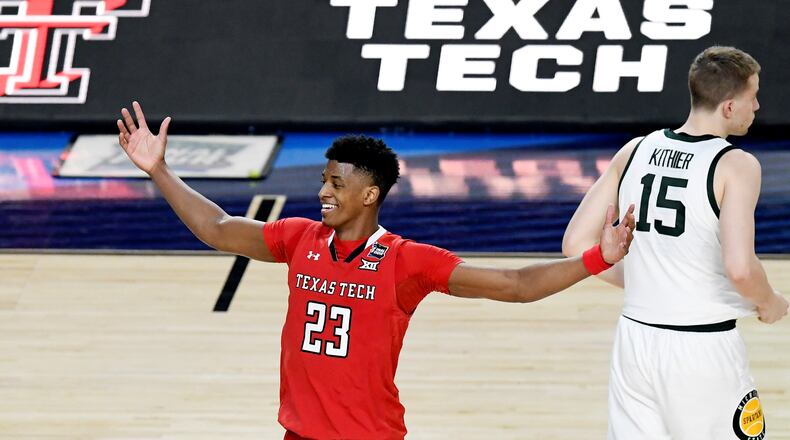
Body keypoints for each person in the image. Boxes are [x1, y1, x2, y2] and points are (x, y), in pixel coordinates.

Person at [116, 101, 635, 440]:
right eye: (324, 179)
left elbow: (514, 286)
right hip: (297, 434)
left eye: (336, 184)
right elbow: (219, 227)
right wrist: (159, 170)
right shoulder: (300, 238)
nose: (323, 191)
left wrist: (597, 258)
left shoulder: (407, 261)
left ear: (369, 195)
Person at [562, 46, 789, 440]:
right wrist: (770, 302)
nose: (758, 105)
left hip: (635, 340)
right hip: (702, 347)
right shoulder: (737, 165)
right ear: (729, 107)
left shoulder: (634, 149)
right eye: (752, 95)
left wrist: (646, 280)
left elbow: (575, 244)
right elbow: (740, 267)